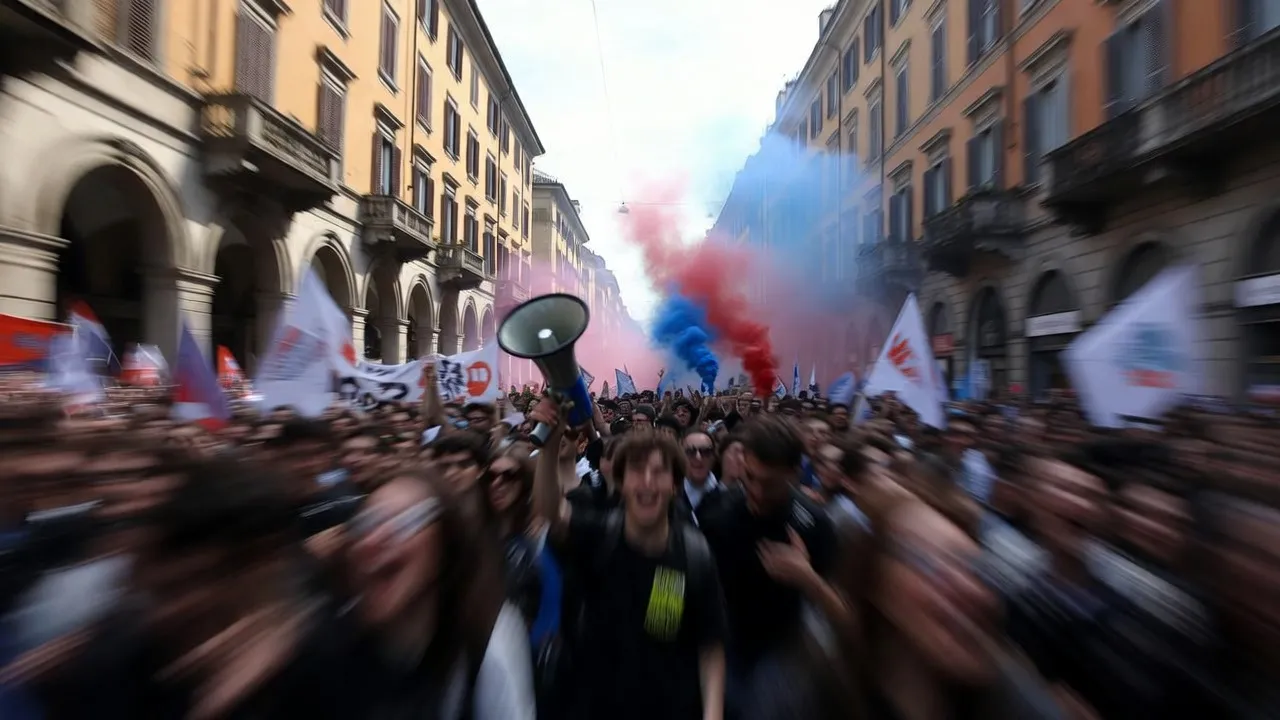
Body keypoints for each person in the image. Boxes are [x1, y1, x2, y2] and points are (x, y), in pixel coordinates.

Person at [530, 396, 728, 720]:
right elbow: (552, 509)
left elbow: (710, 643)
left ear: (675, 486)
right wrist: (550, 446)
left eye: (659, 472)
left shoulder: (694, 554)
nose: (647, 482)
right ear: (620, 482)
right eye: (636, 470)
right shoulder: (596, 535)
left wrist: (713, 713)